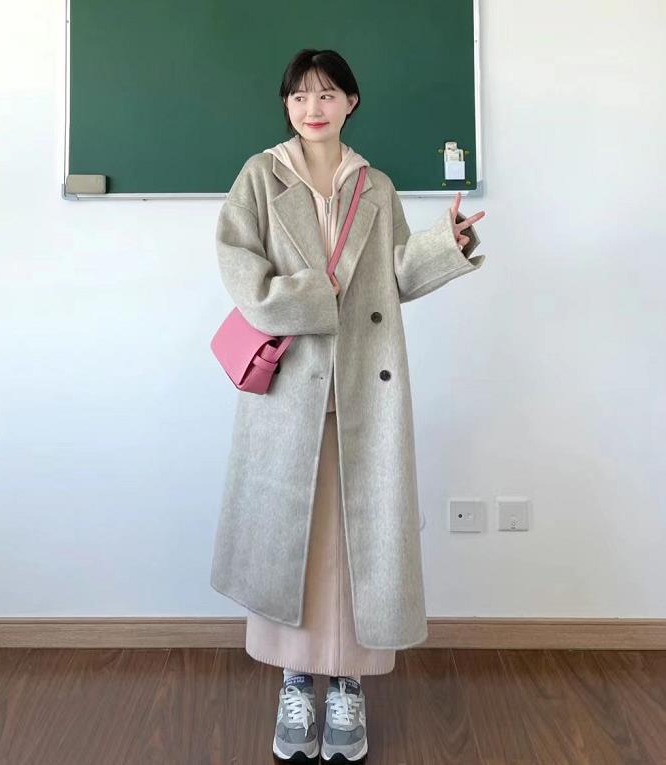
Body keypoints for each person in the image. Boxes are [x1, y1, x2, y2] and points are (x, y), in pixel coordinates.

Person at [210, 48, 486, 763]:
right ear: (286, 105)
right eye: (301, 95)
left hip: (365, 385)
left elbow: (395, 274)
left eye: (328, 94)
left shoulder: (375, 185)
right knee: (291, 538)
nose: (314, 107)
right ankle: (294, 681)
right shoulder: (259, 177)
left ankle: (348, 686)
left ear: (351, 103)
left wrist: (446, 245)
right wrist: (314, 298)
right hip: (289, 387)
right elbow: (241, 270)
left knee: (357, 539)